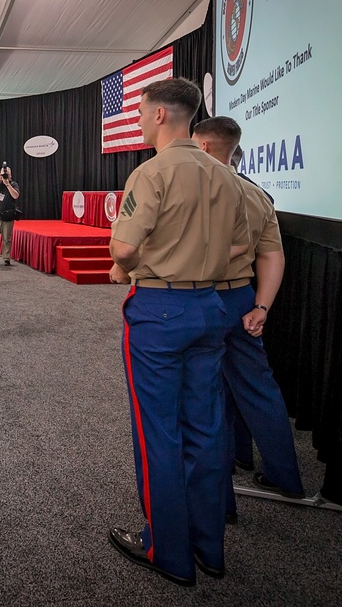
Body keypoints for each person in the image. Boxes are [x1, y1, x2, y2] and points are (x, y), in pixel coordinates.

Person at [107, 78, 248, 587]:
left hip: (160, 311)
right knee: (207, 431)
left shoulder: (151, 173)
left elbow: (122, 250)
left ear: (162, 115)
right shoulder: (226, 176)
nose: (141, 121)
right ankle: (209, 547)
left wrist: (143, 262)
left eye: (143, 114)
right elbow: (238, 246)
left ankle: (166, 549)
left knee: (157, 433)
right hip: (210, 305)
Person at [192, 117, 304, 511]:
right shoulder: (258, 196)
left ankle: (219, 484)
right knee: (256, 386)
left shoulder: (193, 190)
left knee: (203, 389)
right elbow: (272, 255)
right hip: (242, 298)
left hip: (199, 298)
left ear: (203, 148)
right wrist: (261, 307)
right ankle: (283, 474)